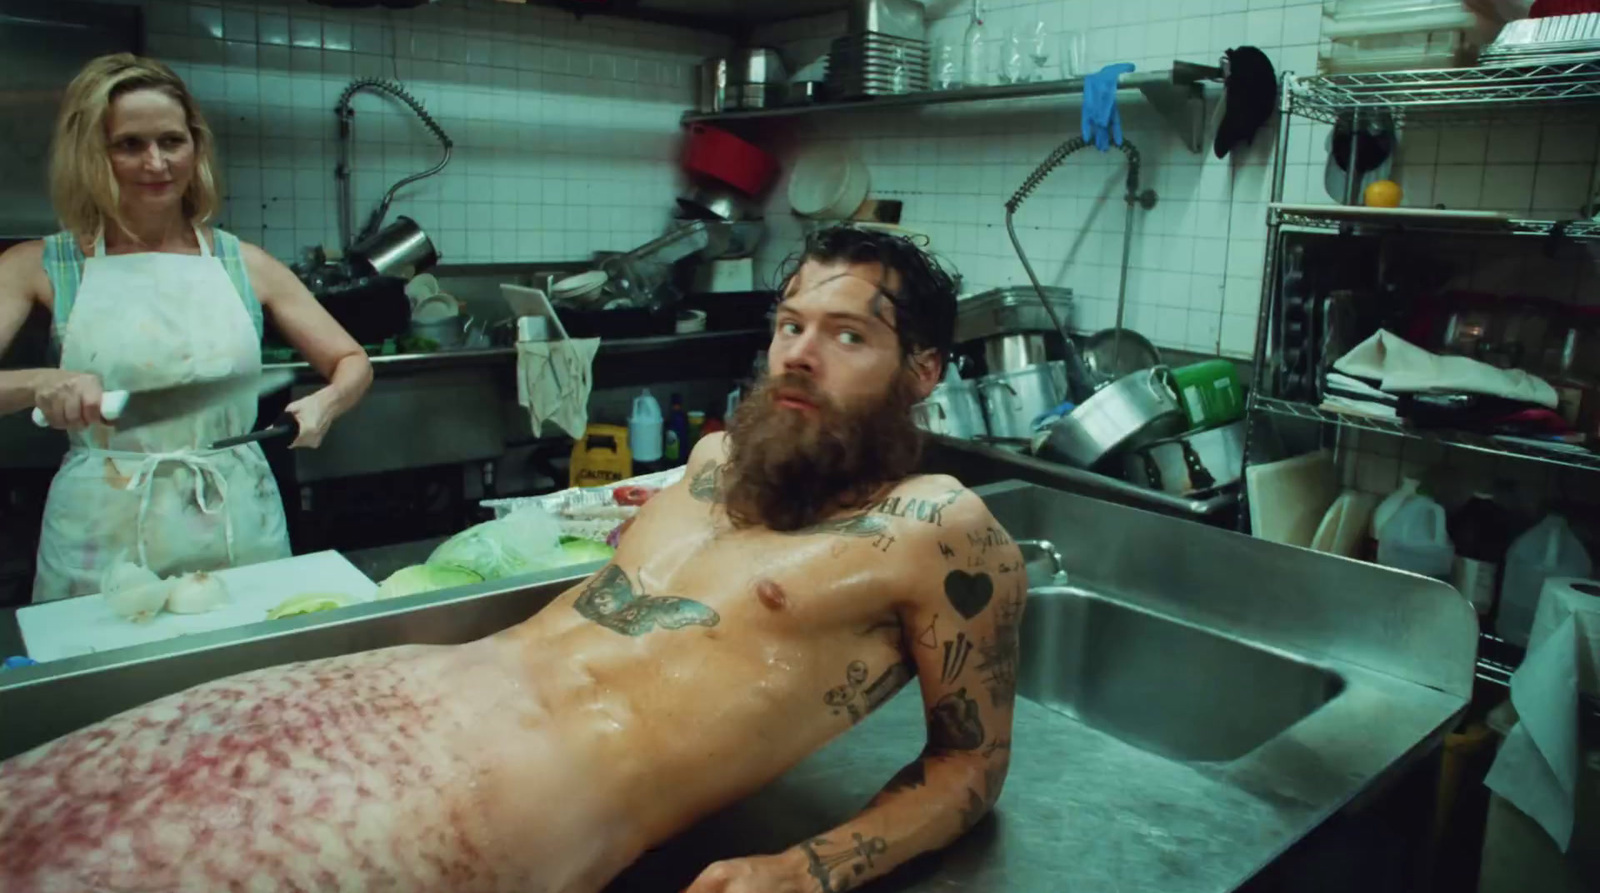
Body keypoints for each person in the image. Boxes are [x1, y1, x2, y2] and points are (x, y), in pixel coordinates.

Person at [0, 227, 1025, 893]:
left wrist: (806, 869)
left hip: (484, 804)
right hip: (384, 697)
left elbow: (969, 765)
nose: (797, 352)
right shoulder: (718, 461)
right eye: (790, 323)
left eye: (846, 334)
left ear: (923, 371)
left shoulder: (937, 527)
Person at [0, 54, 372, 602]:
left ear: (194, 146)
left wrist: (328, 403)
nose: (156, 163)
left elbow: (352, 361)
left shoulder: (244, 264)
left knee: (247, 678)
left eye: (171, 141)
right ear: (91, 153)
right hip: (103, 529)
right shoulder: (41, 265)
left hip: (235, 516)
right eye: (129, 144)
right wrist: (37, 384)